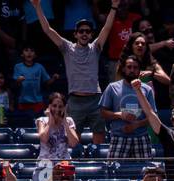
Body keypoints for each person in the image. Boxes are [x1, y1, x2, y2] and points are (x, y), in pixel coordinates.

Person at [30, 0, 114, 144]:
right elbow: (48, 30)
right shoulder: (67, 48)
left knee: (99, 139)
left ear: (91, 35)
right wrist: (38, 6)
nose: (84, 34)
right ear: (75, 34)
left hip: (95, 99)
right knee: (73, 142)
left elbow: (106, 28)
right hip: (75, 100)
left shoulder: (96, 48)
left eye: (88, 31)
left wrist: (114, 7)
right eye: (81, 31)